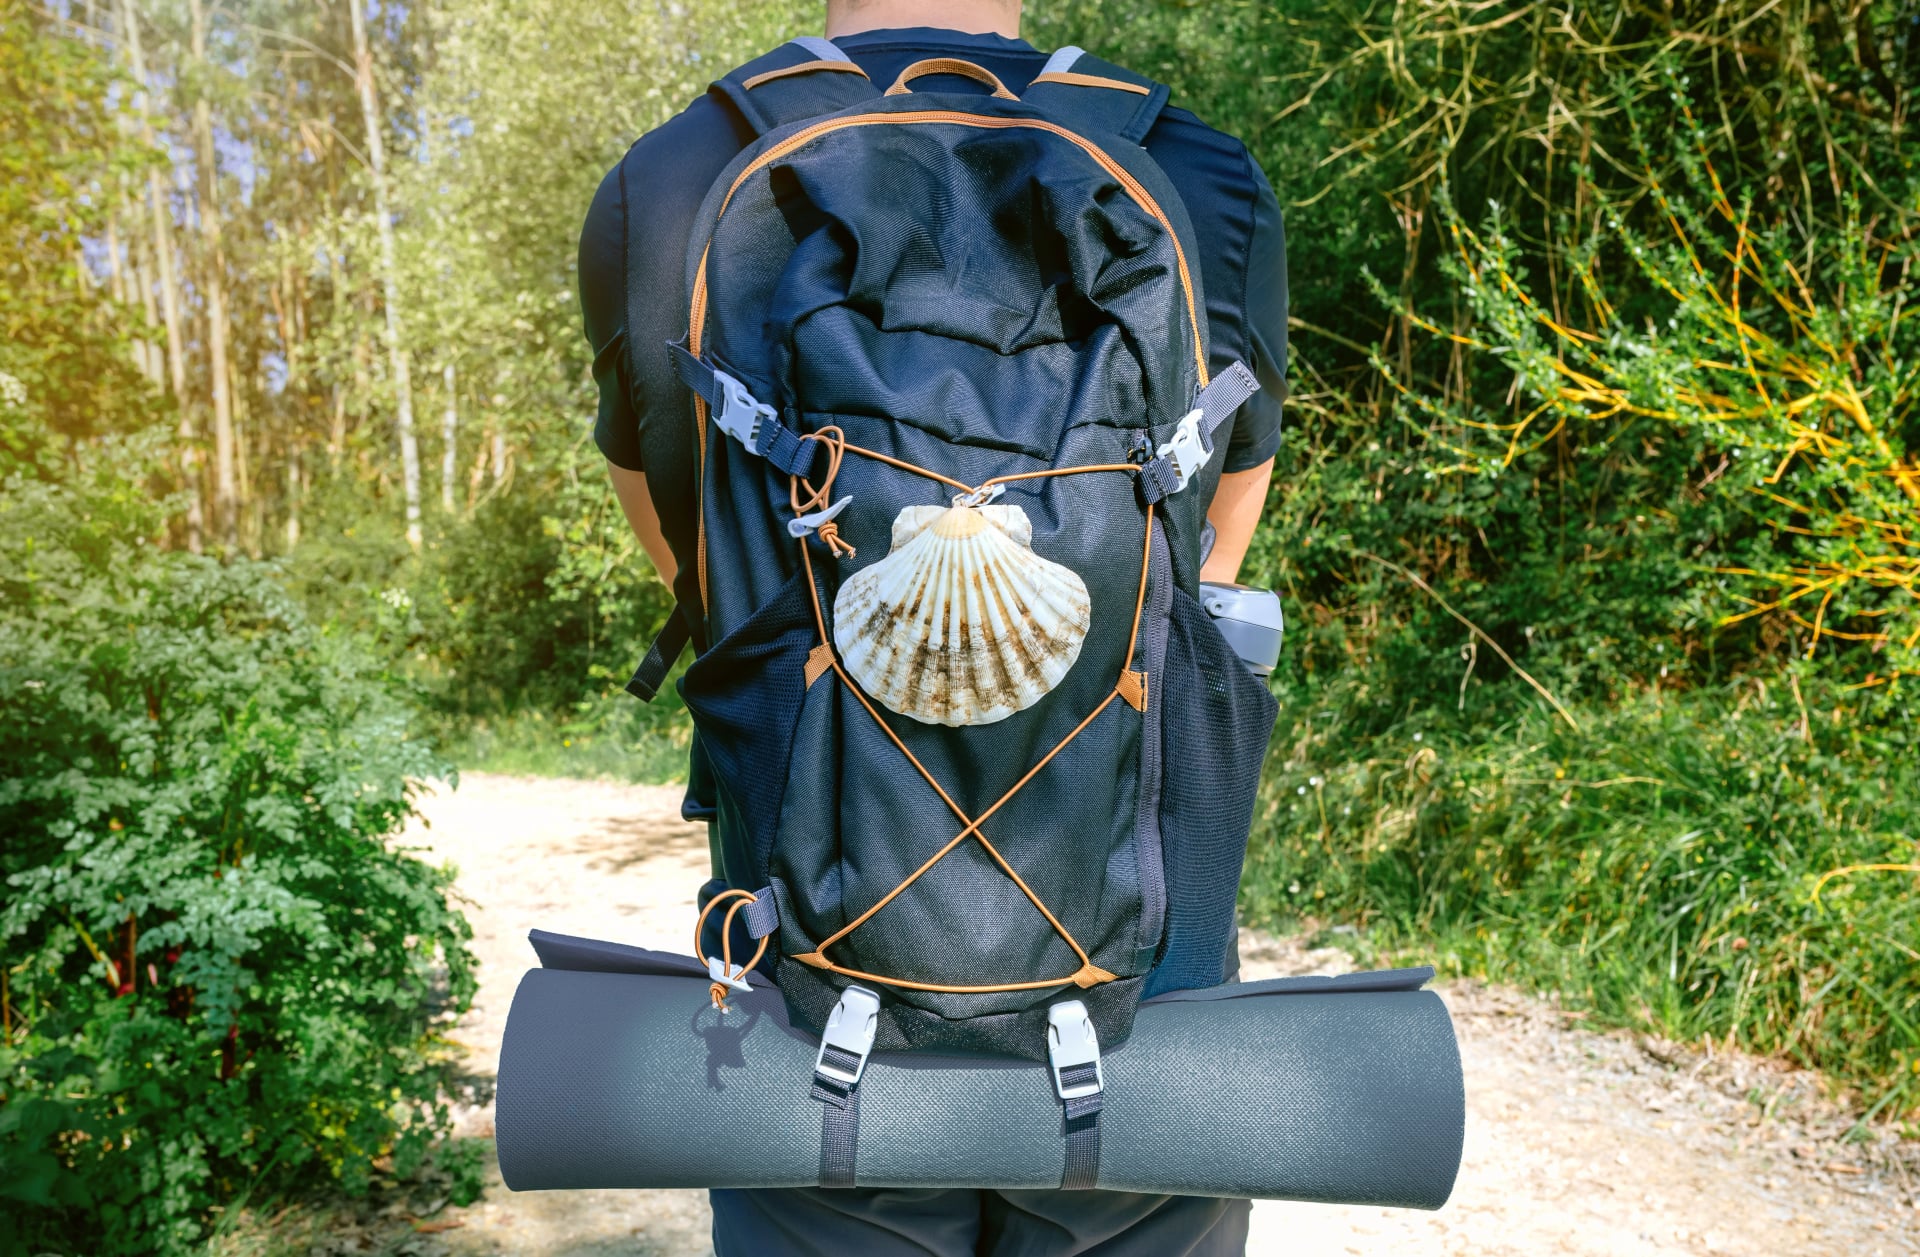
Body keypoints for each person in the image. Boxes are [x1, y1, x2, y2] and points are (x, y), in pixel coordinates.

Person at [578, 2, 1287, 1252]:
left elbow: (702, 581)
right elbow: (1208, 571)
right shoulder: (1198, 175)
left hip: (810, 1017)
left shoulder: (674, 177)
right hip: (1142, 1014)